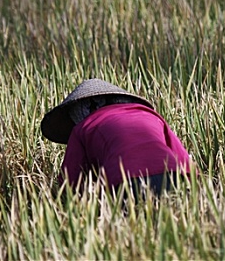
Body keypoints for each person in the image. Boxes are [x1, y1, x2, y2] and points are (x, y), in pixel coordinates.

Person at [41, 78, 191, 199]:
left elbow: (70, 181)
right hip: (174, 176)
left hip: (125, 182)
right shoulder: (150, 115)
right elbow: (184, 160)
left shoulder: (83, 127)